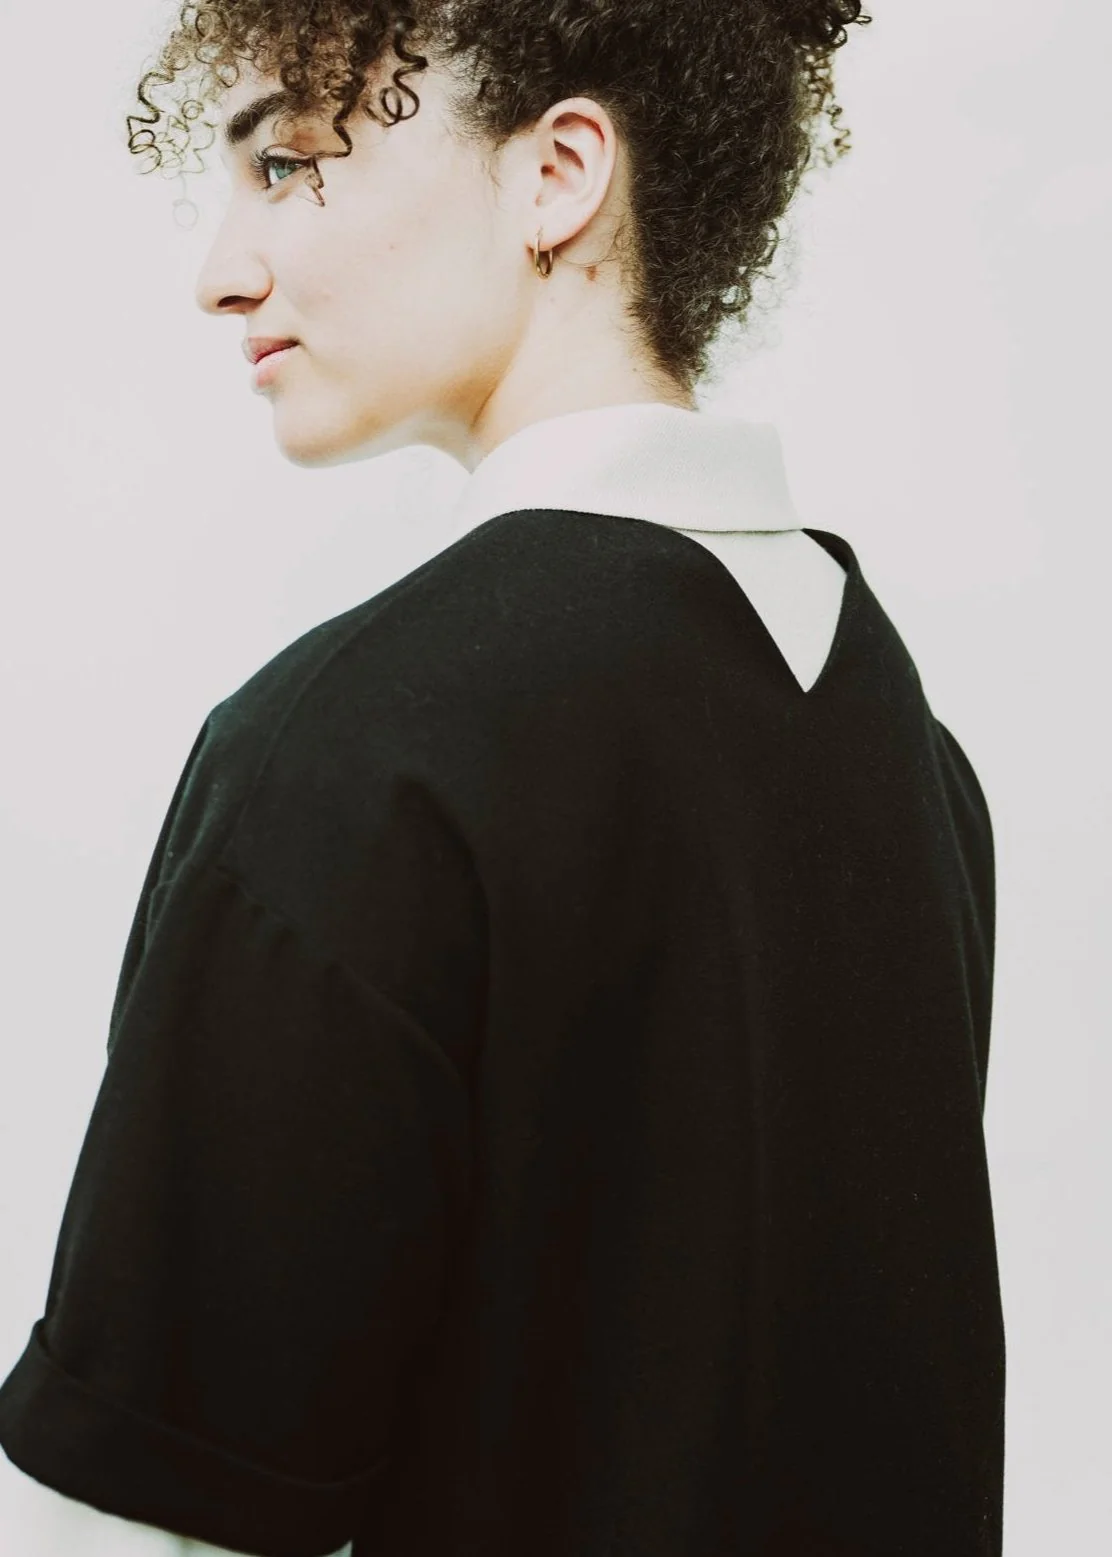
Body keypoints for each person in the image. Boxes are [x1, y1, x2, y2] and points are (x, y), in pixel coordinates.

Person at [0, 3, 1006, 1556]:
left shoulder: (350, 756)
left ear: (557, 175)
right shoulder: (909, 752)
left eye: (287, 163)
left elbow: (160, 1516)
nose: (220, 271)